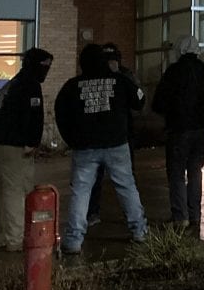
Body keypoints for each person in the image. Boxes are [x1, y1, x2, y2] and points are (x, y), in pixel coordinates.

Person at [55, 43, 148, 253]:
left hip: (85, 147)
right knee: (126, 187)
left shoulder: (73, 85)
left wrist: (72, 140)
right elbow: (140, 100)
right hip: (116, 144)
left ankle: (74, 240)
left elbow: (61, 114)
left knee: (81, 191)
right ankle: (139, 231)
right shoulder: (119, 81)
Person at [151, 35, 204, 229]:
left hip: (178, 128)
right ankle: (195, 214)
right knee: (195, 171)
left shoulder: (174, 72)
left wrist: (172, 109)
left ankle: (180, 216)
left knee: (176, 172)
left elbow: (158, 102)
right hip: (201, 128)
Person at [0, 46, 53, 251]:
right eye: (45, 66)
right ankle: (15, 240)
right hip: (15, 144)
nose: (47, 70)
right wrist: (32, 142)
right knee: (15, 191)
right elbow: (33, 117)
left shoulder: (14, 83)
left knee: (1, 189)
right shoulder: (30, 85)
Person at [86, 43, 142, 226]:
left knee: (125, 180)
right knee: (97, 179)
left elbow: (138, 99)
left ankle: (133, 219)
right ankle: (94, 213)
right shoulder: (95, 77)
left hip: (120, 134)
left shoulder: (125, 76)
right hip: (107, 136)